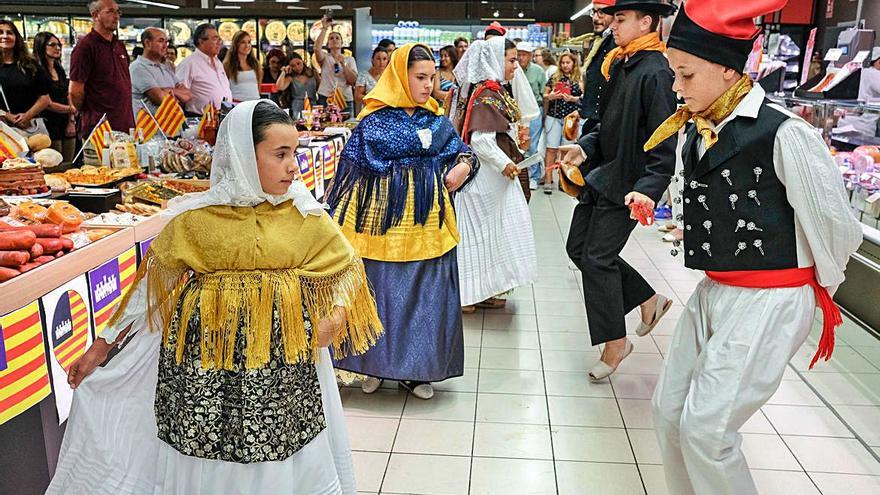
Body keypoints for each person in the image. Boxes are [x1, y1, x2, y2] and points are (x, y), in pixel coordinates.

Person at [46, 100, 383, 495]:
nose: (294, 166)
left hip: (282, 363)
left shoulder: (305, 216)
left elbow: (347, 268)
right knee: (205, 446)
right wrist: (102, 345)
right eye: (280, 154)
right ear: (242, 154)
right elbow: (151, 287)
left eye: (294, 153)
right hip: (205, 361)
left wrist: (337, 314)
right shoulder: (195, 220)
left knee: (277, 443)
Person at [642, 2, 863, 493]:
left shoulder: (786, 132)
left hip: (771, 296)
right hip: (715, 287)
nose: (676, 88)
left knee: (707, 429)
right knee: (667, 411)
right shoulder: (696, 127)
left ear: (726, 68)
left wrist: (813, 289)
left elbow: (835, 225)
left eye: (685, 74)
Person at [328, 44, 477, 401]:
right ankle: (372, 367)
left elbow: (462, 152)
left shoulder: (437, 121)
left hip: (428, 227)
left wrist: (463, 166)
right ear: (399, 76)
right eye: (420, 77)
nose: (429, 85)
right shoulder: (372, 123)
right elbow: (349, 172)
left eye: (433, 77)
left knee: (424, 300)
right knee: (380, 298)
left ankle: (418, 370)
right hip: (379, 227)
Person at [559, 0, 678, 381]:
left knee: (596, 257)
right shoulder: (622, 62)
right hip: (602, 175)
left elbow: (664, 142)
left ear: (647, 22)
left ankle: (615, 343)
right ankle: (648, 299)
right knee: (578, 248)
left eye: (622, 19)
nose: (613, 25)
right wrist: (584, 147)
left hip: (628, 184)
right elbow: (605, 125)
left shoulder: (656, 72)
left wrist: (649, 188)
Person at [451, 36, 537, 311]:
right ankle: (467, 294)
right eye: (511, 60)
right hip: (484, 178)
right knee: (478, 236)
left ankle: (485, 290)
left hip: (493, 179)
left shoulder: (494, 90)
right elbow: (481, 141)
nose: (515, 66)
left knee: (492, 236)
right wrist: (505, 163)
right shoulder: (487, 93)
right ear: (494, 59)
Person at [69, 0, 133, 135]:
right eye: (110, 11)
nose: (116, 16)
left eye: (118, 11)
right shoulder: (85, 47)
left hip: (124, 123)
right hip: (99, 128)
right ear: (95, 15)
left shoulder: (119, 45)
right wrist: (90, 111)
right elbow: (75, 91)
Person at [570, 1, 616, 137]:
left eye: (601, 12)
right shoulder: (599, 42)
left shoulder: (615, 45)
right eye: (594, 12)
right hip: (594, 121)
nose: (595, 18)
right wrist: (582, 109)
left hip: (604, 124)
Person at [542, 52, 583, 194]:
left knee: (566, 150)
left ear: (574, 63)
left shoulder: (579, 79)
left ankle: (563, 180)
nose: (565, 65)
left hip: (571, 119)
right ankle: (548, 179)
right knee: (551, 148)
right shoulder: (554, 78)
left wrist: (572, 98)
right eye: (563, 63)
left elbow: (583, 97)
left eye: (568, 62)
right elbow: (545, 94)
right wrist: (551, 96)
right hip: (554, 117)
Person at [129, 27, 191, 118]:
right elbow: (161, 99)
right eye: (161, 41)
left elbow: (188, 95)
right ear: (147, 43)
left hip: (173, 128)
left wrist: (168, 90)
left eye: (166, 42)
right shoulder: (138, 67)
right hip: (152, 130)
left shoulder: (166, 67)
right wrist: (175, 93)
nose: (165, 46)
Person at [33, 32, 75, 161]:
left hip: (66, 121)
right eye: (52, 45)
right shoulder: (36, 70)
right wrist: (71, 109)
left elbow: (68, 93)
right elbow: (47, 103)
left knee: (69, 162)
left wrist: (71, 120)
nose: (57, 48)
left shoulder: (59, 68)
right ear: (41, 46)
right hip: (48, 124)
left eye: (59, 45)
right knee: (54, 163)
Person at [175, 23, 232, 115]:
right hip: (200, 119)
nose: (219, 42)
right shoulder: (189, 64)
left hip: (222, 116)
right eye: (214, 39)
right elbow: (180, 95)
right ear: (201, 41)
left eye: (219, 39)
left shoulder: (218, 62)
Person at [516, 41, 547, 191]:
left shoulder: (538, 71)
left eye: (524, 55)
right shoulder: (513, 70)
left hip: (534, 112)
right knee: (518, 145)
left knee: (532, 145)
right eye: (519, 54)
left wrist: (545, 117)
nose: (520, 58)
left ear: (530, 56)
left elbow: (544, 94)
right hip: (516, 113)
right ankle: (521, 175)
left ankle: (533, 176)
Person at [314, 17, 357, 114]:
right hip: (326, 98)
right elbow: (317, 49)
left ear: (342, 43)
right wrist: (324, 28)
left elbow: (353, 81)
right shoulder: (325, 58)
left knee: (347, 126)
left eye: (337, 38)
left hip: (344, 99)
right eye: (331, 38)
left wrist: (343, 65)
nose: (334, 40)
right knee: (325, 125)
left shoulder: (349, 59)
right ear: (328, 44)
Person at [276, 52, 319, 117]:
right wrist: (284, 72)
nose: (297, 67)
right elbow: (279, 87)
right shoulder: (291, 78)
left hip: (312, 105)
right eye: (293, 66)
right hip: (297, 106)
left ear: (302, 61)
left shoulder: (313, 73)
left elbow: (321, 87)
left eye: (298, 63)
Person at [224, 31, 261, 102]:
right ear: (236, 44)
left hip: (254, 104)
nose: (247, 45)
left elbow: (258, 87)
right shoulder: (228, 65)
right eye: (243, 42)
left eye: (249, 42)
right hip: (236, 105)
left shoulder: (256, 64)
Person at [354, 46, 388, 113]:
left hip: (386, 113)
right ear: (372, 60)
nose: (381, 62)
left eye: (384, 59)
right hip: (369, 113)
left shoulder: (390, 76)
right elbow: (357, 96)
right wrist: (374, 99)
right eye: (378, 59)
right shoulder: (363, 76)